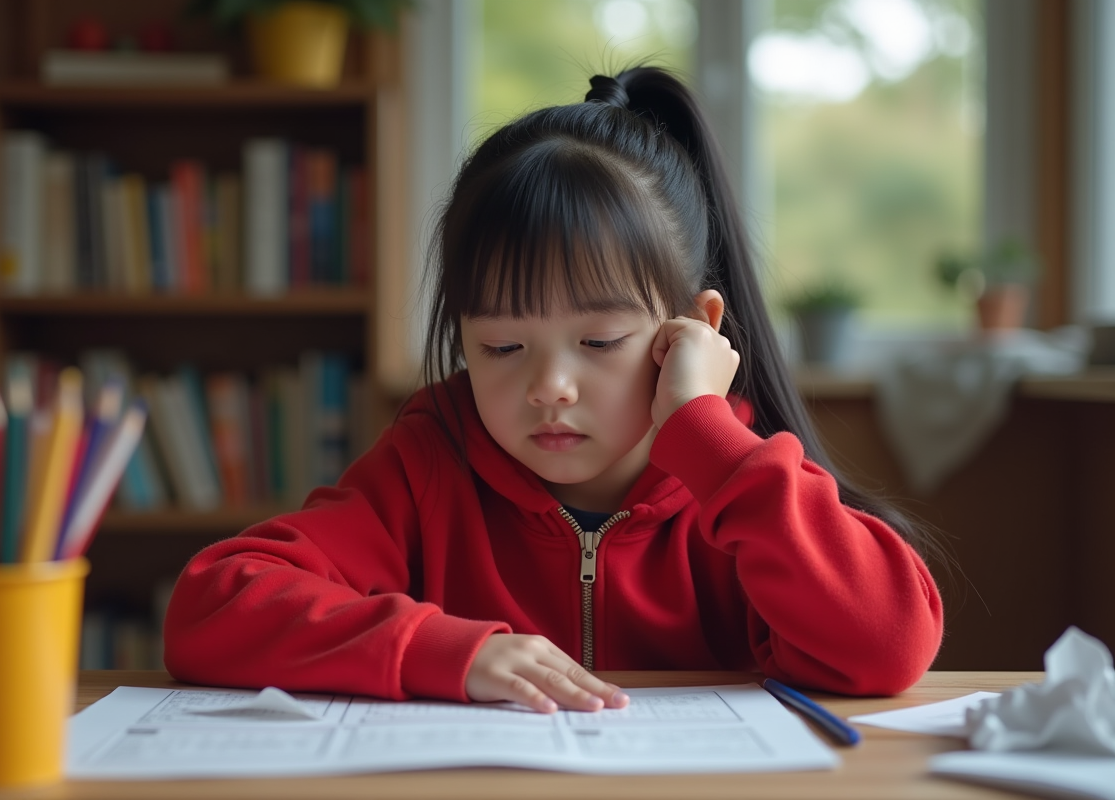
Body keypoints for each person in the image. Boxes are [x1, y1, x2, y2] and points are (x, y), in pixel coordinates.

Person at [164, 66, 943, 714]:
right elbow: (212, 605)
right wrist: (450, 653)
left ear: (693, 331)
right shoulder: (432, 459)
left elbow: (889, 643)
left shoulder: (736, 482)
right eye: (501, 346)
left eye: (599, 343)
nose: (549, 387)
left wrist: (710, 441)